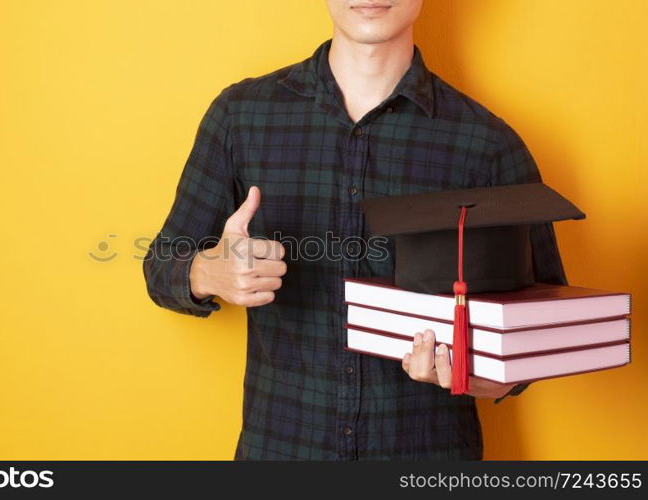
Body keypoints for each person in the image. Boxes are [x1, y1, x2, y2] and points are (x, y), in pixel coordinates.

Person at [142, 0, 567, 460]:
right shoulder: (240, 117)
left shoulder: (487, 144)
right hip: (281, 451)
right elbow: (161, 265)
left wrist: (490, 378)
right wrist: (209, 273)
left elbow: (540, 323)